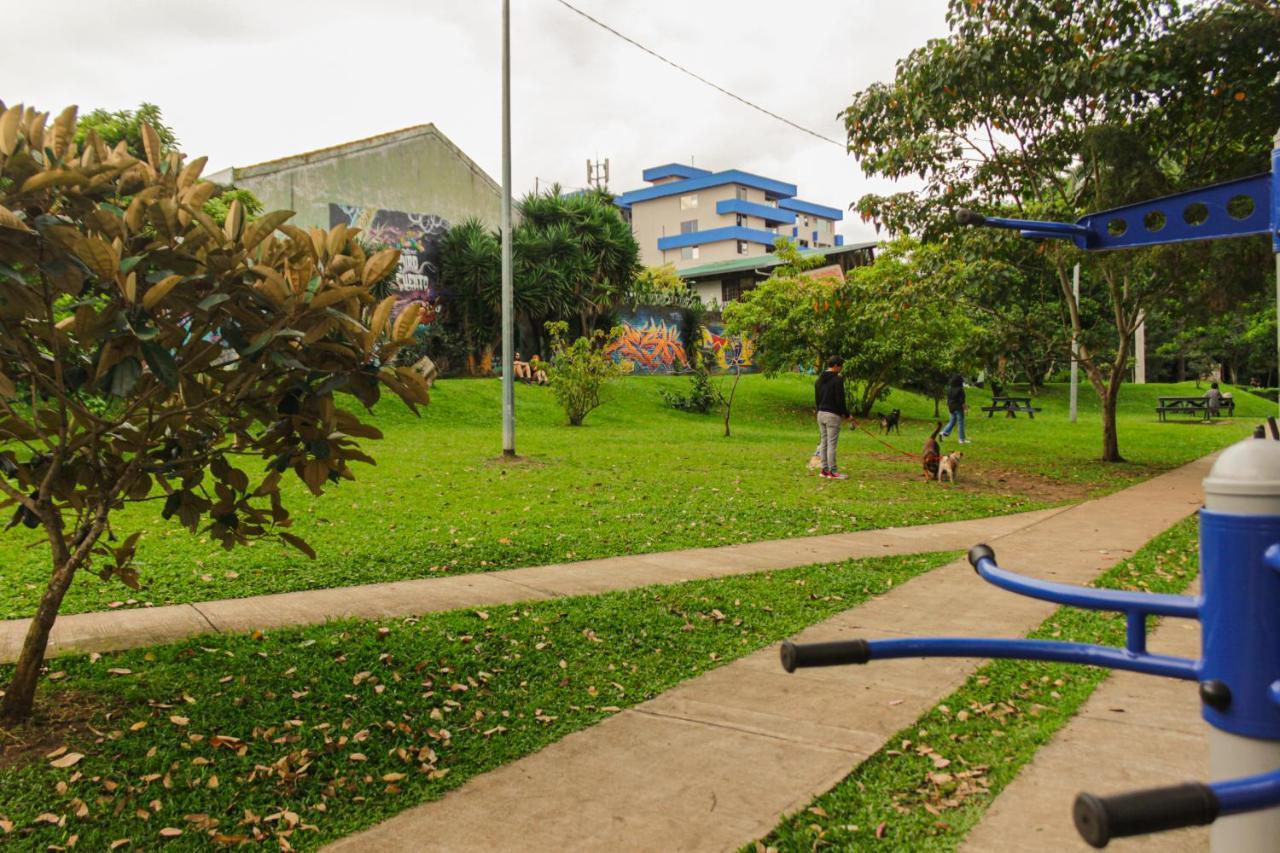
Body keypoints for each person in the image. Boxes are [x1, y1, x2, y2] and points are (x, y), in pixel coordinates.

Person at [814, 356, 850, 480]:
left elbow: (817, 399)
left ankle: (824, 470)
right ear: (835, 366)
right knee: (831, 444)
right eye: (840, 367)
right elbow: (840, 400)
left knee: (824, 442)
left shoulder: (819, 379)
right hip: (832, 415)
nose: (841, 369)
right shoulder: (837, 380)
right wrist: (846, 414)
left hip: (821, 414)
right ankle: (833, 471)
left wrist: (820, 409)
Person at [941, 374, 970, 444]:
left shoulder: (949, 389)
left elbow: (947, 399)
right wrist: (966, 409)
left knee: (952, 421)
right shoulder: (960, 390)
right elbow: (962, 401)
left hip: (951, 407)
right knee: (960, 423)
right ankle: (961, 439)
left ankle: (943, 432)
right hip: (958, 408)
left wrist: (949, 407)